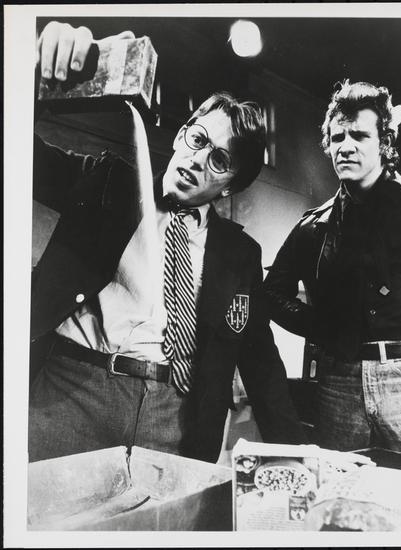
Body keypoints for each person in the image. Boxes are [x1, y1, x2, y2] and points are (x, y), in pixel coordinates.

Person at [28, 21, 309, 463]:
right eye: (197, 140)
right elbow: (20, 155)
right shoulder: (107, 182)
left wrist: (293, 456)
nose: (197, 160)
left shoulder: (240, 255)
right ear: (181, 135)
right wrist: (34, 76)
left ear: (231, 185)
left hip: (174, 415)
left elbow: (260, 362)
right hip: (71, 392)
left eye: (219, 160)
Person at [263, 80, 401, 457]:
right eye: (337, 137)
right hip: (339, 382)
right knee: (339, 486)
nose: (345, 146)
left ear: (384, 143)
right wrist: (322, 327)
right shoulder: (313, 226)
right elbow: (270, 293)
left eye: (359, 136)